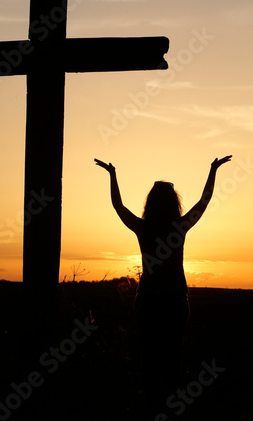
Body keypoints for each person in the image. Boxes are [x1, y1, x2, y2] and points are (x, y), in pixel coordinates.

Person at [94, 155, 232, 411]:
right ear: (174, 204)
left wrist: (112, 175)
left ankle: (150, 406)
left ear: (150, 203)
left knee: (150, 358)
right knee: (172, 360)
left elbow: (118, 206)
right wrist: (213, 170)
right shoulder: (179, 227)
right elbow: (205, 201)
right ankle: (170, 407)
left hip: (148, 302)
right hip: (175, 302)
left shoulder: (143, 228)